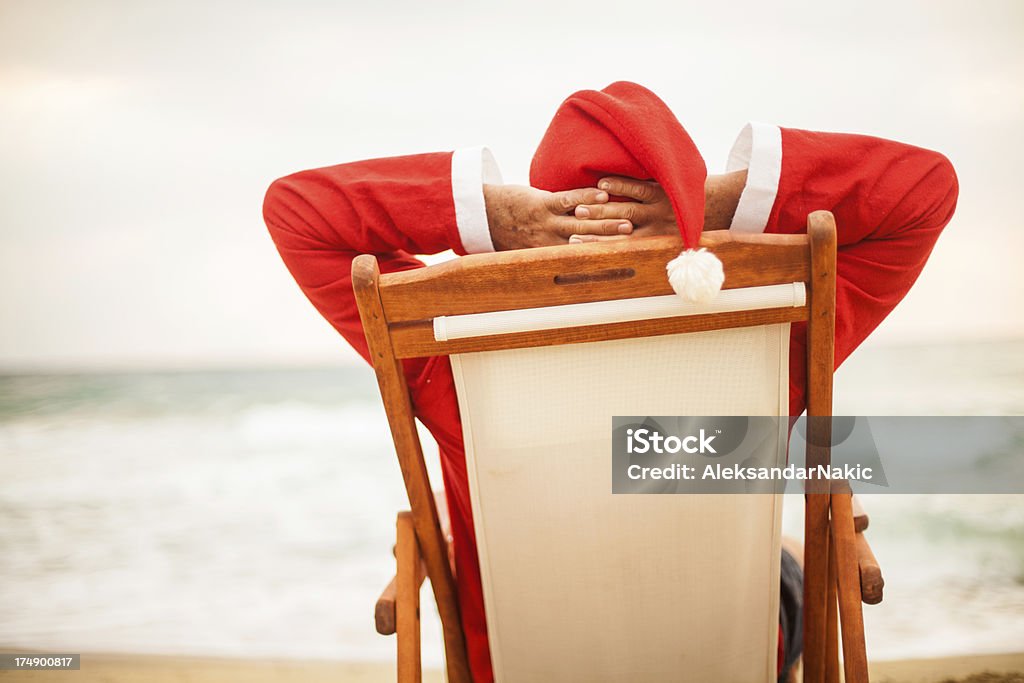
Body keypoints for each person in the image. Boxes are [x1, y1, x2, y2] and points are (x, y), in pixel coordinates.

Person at [262, 83, 958, 682]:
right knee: (794, 544)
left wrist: (490, 217)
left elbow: (296, 211)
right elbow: (925, 190)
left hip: (519, 661)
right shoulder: (766, 331)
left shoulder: (451, 352)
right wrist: (712, 207)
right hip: (732, 658)